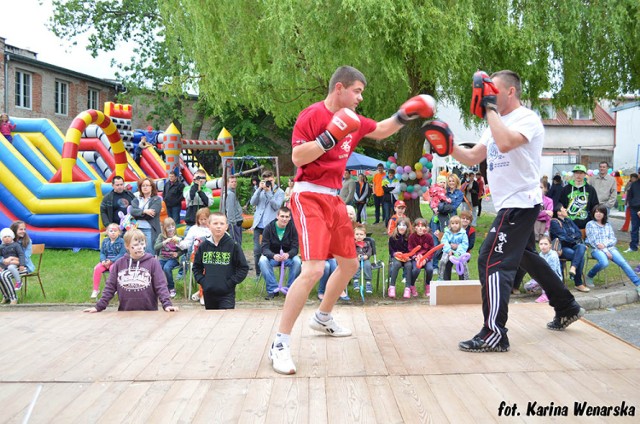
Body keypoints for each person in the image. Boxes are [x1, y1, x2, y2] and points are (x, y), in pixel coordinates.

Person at [269, 65, 435, 374]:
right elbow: (297, 157)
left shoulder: (355, 121)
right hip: (308, 195)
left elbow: (382, 129)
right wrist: (330, 137)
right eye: (357, 91)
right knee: (314, 269)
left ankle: (322, 317)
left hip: (333, 197)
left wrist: (404, 113)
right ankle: (280, 343)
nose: (360, 98)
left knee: (350, 264)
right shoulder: (312, 115)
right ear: (339, 88)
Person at [432, 70, 583, 353]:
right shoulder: (493, 123)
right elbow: (473, 156)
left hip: (520, 203)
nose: (486, 95)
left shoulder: (527, 118)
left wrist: (489, 108)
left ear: (510, 92)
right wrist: (446, 146)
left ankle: (494, 333)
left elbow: (505, 143)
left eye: (493, 90)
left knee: (490, 260)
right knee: (524, 257)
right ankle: (566, 306)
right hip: (510, 203)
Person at [84, 229, 178, 313]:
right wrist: (98, 307)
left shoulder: (153, 263)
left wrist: (167, 304)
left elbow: (161, 286)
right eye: (136, 245)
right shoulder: (119, 264)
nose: (140, 247)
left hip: (149, 312)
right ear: (127, 246)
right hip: (125, 313)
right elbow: (110, 288)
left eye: (142, 244)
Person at [192, 213, 249, 309]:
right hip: (208, 292)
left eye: (222, 224)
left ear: (226, 226)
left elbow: (243, 268)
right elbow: (196, 267)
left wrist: (230, 283)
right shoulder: (203, 246)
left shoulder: (233, 245)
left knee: (225, 321)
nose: (218, 226)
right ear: (208, 225)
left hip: (227, 294)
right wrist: (203, 282)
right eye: (215, 223)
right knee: (211, 320)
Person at [585, 204, 640, 295]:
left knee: (623, 262)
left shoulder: (607, 225)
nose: (598, 214)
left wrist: (606, 247)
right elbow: (593, 241)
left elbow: (613, 239)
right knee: (604, 262)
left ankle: (638, 284)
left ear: (604, 214)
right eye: (596, 212)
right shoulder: (590, 224)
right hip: (596, 250)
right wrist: (605, 251)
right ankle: (590, 275)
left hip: (610, 248)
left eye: (601, 212)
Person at [259, 207, 302, 300]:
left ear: (290, 218)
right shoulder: (269, 228)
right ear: (277, 216)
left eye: (287, 217)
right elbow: (264, 248)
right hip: (272, 257)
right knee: (262, 260)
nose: (284, 219)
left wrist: (288, 254)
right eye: (282, 216)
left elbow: (295, 248)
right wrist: (273, 255)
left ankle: (290, 290)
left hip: (288, 258)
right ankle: (273, 289)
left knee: (298, 261)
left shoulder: (293, 228)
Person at [250, 170, 285, 277]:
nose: (268, 183)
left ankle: (267, 273)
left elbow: (277, 206)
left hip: (269, 226)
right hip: (258, 225)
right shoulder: (260, 189)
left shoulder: (280, 192)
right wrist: (259, 189)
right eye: (266, 181)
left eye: (270, 180)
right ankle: (258, 274)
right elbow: (253, 202)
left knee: (268, 251)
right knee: (257, 251)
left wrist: (269, 192)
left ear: (273, 179)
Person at [550, 204, 589, 292]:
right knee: (580, 256)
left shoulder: (568, 220)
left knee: (581, 247)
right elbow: (563, 237)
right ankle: (578, 283)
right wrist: (573, 237)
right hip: (562, 248)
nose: (566, 210)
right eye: (563, 208)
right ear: (559, 212)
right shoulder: (554, 223)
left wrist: (572, 237)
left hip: (574, 246)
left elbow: (579, 233)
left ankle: (573, 268)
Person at [0, 221, 35, 304]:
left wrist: (11, 259)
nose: (23, 231)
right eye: (21, 229)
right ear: (14, 231)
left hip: (24, 267)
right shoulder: (7, 239)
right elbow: (1, 255)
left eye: (24, 229)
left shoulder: (27, 241)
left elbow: (25, 258)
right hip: (8, 265)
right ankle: (6, 296)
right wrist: (3, 261)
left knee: (5, 275)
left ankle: (13, 298)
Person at [559, 164, 599, 230]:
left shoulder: (590, 189)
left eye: (581, 173)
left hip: (585, 224)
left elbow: (595, 205)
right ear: (574, 174)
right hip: (569, 223)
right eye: (576, 173)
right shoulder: (566, 189)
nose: (578, 175)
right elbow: (560, 204)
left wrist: (591, 219)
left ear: (584, 174)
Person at [91, 223, 125, 298]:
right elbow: (102, 252)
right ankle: (96, 289)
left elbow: (121, 254)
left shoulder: (122, 242)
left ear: (119, 232)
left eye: (115, 231)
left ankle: (112, 288)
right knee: (97, 268)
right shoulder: (105, 241)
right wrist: (103, 260)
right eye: (111, 231)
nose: (113, 232)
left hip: (116, 262)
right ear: (107, 232)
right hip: (106, 261)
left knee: (113, 269)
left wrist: (111, 261)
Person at [525, 236, 563, 303]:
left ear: (550, 245)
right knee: (528, 286)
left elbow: (551, 273)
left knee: (546, 282)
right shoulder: (540, 255)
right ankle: (545, 289)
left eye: (545, 244)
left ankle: (547, 294)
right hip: (542, 275)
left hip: (553, 278)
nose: (543, 246)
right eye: (541, 244)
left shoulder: (553, 256)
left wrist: (541, 278)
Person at [131, 177, 162, 254]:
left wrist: (138, 213)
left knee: (149, 252)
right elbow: (132, 211)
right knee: (138, 252)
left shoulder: (156, 199)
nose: (145, 187)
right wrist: (144, 211)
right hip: (137, 229)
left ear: (152, 187)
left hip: (149, 229)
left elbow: (151, 215)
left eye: (147, 185)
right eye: (143, 186)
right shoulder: (137, 199)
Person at [154, 217, 183, 298]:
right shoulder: (161, 236)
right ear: (164, 228)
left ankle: (171, 287)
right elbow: (156, 247)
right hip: (162, 258)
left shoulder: (178, 237)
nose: (171, 229)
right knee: (157, 268)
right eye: (168, 227)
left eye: (172, 226)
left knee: (167, 268)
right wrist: (164, 242)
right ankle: (160, 288)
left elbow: (184, 250)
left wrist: (177, 254)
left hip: (172, 259)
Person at [408, 218, 435, 297]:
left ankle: (428, 286)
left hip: (426, 258)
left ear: (426, 228)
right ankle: (412, 285)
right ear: (415, 228)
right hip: (416, 258)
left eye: (422, 226)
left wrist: (426, 259)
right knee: (416, 269)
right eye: (418, 226)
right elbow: (410, 248)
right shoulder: (411, 237)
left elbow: (432, 250)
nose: (420, 228)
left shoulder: (429, 237)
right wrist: (415, 257)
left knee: (430, 269)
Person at [387, 217, 413, 298]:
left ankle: (407, 288)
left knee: (409, 266)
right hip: (397, 257)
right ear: (397, 226)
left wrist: (409, 256)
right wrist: (395, 254)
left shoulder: (410, 237)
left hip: (407, 258)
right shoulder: (392, 237)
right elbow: (391, 250)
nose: (401, 227)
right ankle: (392, 287)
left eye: (404, 225)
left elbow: (412, 249)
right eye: (400, 225)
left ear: (407, 227)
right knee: (397, 264)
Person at [438, 215, 470, 280]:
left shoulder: (463, 233)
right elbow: (444, 241)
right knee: (443, 261)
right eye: (452, 223)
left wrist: (458, 251)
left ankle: (465, 279)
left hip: (460, 252)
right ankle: (442, 278)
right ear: (450, 224)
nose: (454, 225)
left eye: (456, 223)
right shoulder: (447, 232)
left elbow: (465, 244)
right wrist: (448, 250)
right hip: (448, 251)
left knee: (463, 263)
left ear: (460, 224)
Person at [352, 224, 373, 294]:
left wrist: (367, 256)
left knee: (367, 265)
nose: (359, 236)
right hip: (356, 260)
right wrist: (356, 256)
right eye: (357, 234)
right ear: (354, 235)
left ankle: (368, 283)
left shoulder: (367, 243)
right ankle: (356, 281)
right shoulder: (352, 244)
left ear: (364, 236)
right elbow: (351, 251)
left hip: (365, 259)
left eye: (361, 234)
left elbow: (370, 251)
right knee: (356, 265)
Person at [225, 176, 244, 244]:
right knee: (236, 242)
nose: (234, 183)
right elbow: (230, 209)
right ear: (228, 183)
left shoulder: (233, 192)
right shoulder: (230, 194)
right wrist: (232, 223)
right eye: (232, 182)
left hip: (237, 220)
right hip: (235, 222)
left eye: (235, 182)